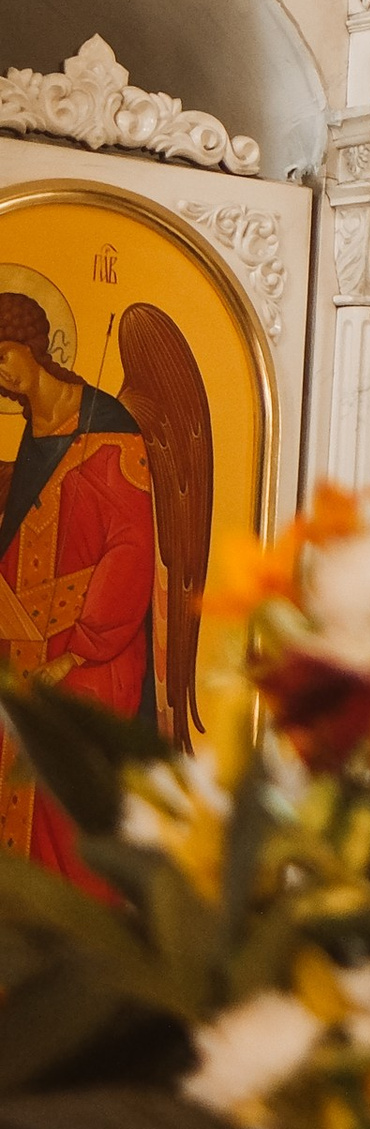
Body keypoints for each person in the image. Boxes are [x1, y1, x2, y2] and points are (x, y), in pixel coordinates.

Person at [0, 293, 160, 883]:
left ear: (33, 348)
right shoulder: (35, 429)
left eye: (3, 355)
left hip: (91, 657)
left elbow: (130, 554)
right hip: (26, 648)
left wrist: (73, 655)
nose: (0, 373)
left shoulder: (112, 431)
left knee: (64, 811)